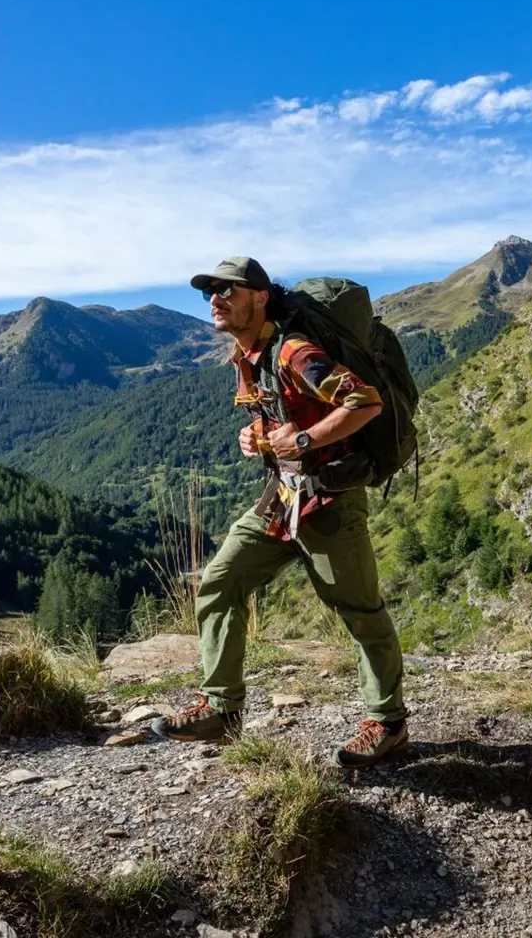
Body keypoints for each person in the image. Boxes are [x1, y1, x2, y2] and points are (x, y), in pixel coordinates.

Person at [150, 257, 410, 768]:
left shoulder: (294, 351)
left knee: (359, 611)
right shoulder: (249, 355)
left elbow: (365, 401)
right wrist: (257, 437)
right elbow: (279, 417)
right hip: (282, 499)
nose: (216, 299)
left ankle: (388, 723)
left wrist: (307, 439)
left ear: (261, 296)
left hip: (329, 502)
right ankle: (220, 709)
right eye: (210, 292)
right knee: (220, 581)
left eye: (229, 290)